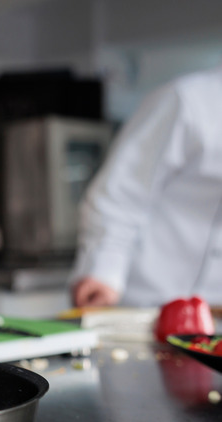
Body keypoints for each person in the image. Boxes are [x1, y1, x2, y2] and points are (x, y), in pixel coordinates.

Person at [70, 63, 222, 308]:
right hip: (145, 307)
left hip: (215, 320)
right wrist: (102, 272)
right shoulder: (188, 100)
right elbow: (120, 194)